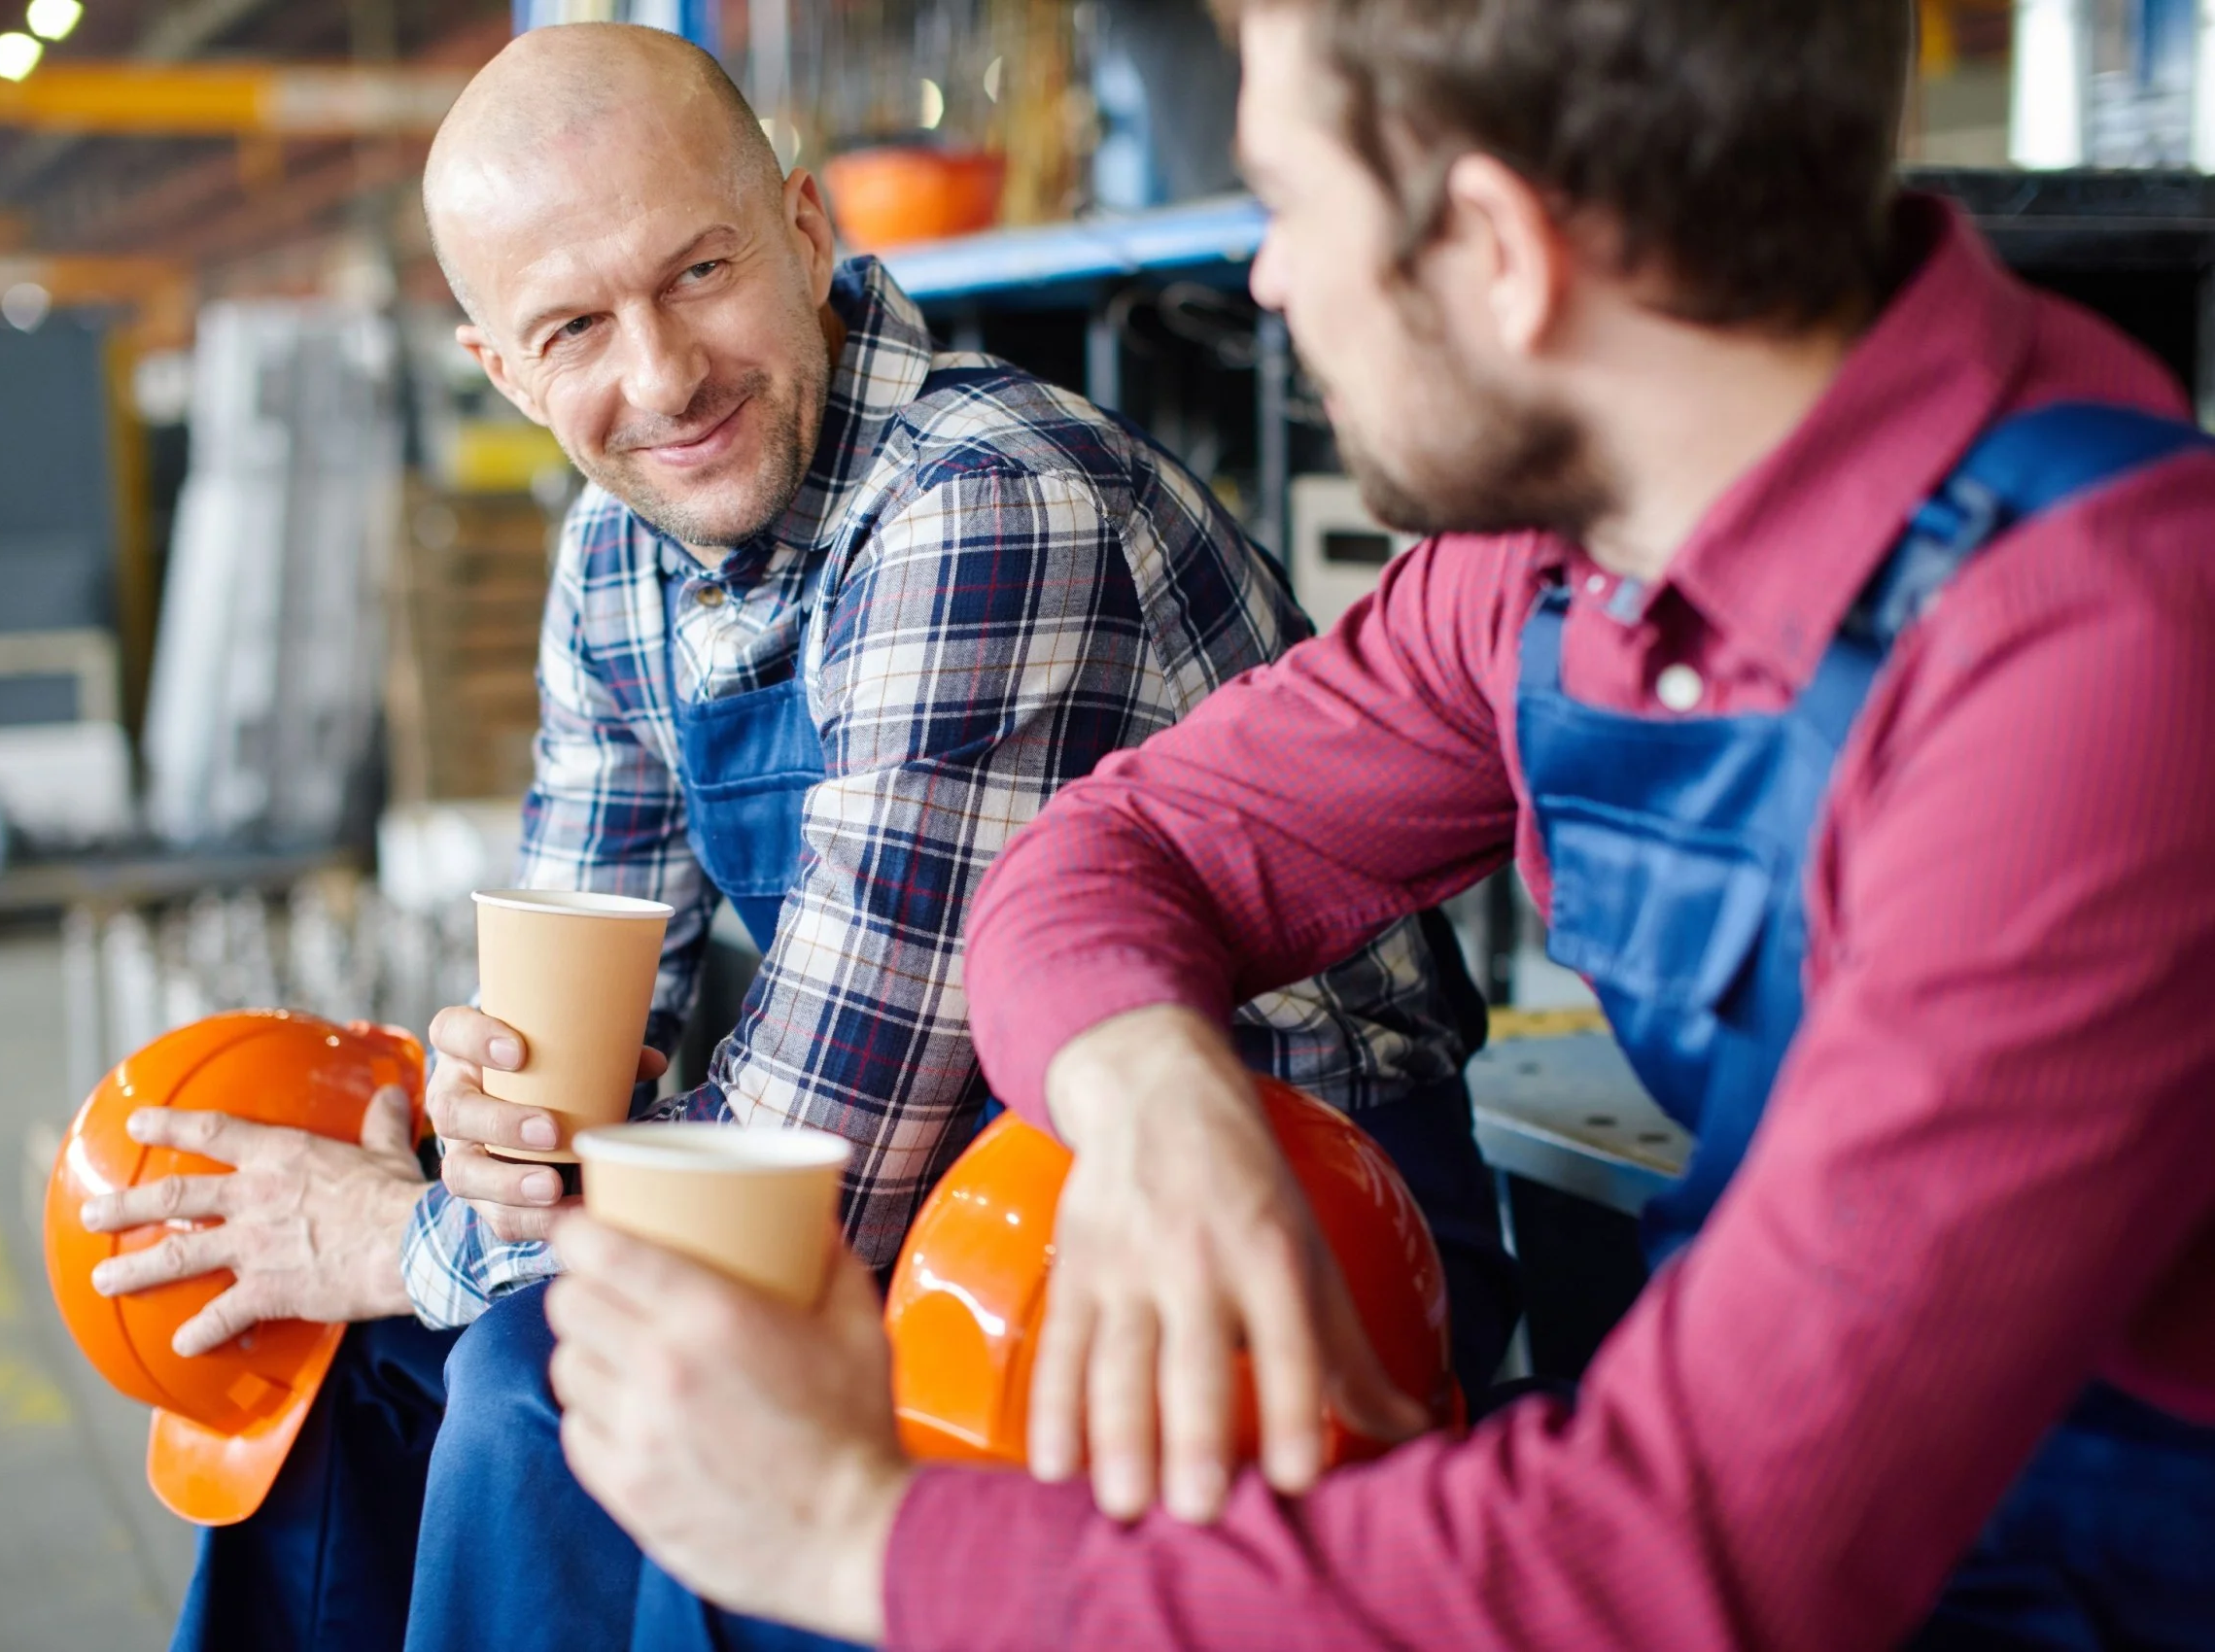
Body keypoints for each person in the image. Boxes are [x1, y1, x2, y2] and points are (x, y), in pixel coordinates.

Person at [539, 0, 2215, 1646]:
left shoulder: (2106, 669)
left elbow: (1672, 1567)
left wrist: (856, 1537)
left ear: (1497, 250)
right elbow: (1114, 858)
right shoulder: (1548, 565)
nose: (1268, 282)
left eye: (1287, 201)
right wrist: (1150, 1090)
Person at [78, 20, 1515, 1652]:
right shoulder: (618, 558)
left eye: (698, 273)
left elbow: (812, 1190)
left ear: (809, 233)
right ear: (503, 368)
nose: (663, 376)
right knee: (349, 1370)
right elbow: (584, 1076)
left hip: (1267, 1214)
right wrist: (497, 1125)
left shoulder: (982, 500)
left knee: (528, 1390)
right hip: (930, 1165)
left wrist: (400, 1237)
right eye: (574, 328)